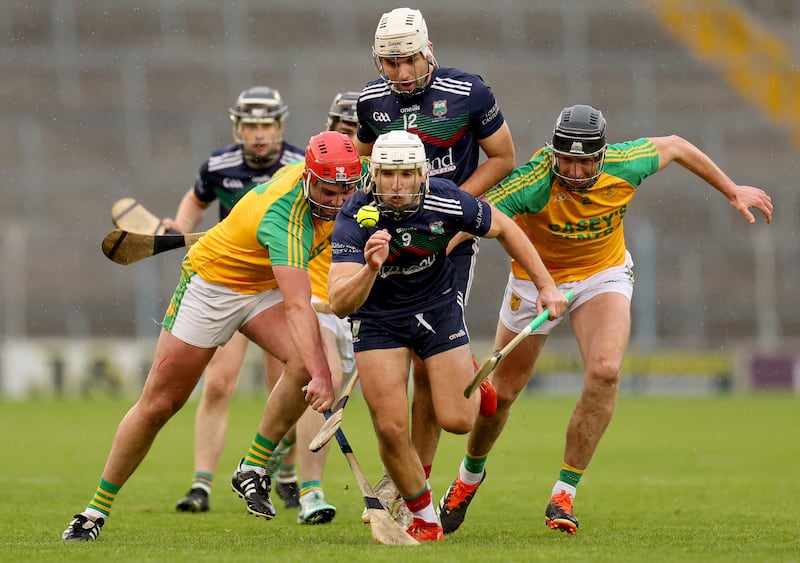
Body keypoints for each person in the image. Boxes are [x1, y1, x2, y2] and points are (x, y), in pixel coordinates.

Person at [437, 104, 774, 536]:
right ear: (553, 152)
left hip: (602, 273)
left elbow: (676, 146)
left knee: (605, 370)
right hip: (533, 279)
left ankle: (564, 493)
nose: (574, 171)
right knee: (500, 395)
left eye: (584, 161)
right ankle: (468, 479)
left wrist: (731, 190)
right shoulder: (532, 182)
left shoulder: (625, 163)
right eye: (566, 160)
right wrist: (429, 261)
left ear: (601, 155)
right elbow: (469, 221)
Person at [61, 131, 365, 542]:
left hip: (262, 286)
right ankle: (93, 512)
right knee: (160, 403)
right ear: (309, 178)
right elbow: (297, 306)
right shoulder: (284, 217)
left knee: (311, 363)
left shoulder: (357, 185)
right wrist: (324, 379)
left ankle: (253, 466)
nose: (338, 202)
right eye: (328, 192)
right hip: (213, 286)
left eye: (345, 191)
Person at [327, 130, 568, 542]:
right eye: (387, 175)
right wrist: (369, 268)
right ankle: (424, 518)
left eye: (405, 175)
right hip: (378, 317)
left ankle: (469, 372)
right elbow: (338, 302)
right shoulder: (356, 215)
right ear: (375, 175)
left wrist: (546, 284)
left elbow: (505, 228)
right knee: (389, 428)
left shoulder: (447, 199)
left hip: (436, 309)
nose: (397, 186)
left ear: (421, 175)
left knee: (458, 420)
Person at [354, 6, 516, 512]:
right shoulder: (371, 102)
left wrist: (450, 215)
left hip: (450, 246)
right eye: (388, 63)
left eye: (407, 61)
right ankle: (407, 483)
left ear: (428, 52)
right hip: (392, 242)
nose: (399, 73)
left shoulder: (469, 92)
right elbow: (361, 166)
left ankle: (411, 486)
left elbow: (503, 158)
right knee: (391, 362)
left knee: (427, 368)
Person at [164, 86, 305, 514]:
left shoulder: (300, 165)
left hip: (278, 285)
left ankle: (283, 472)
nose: (258, 134)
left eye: (266, 125)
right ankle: (201, 485)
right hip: (230, 282)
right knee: (219, 383)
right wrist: (181, 225)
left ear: (280, 125)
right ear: (237, 128)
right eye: (250, 126)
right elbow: (196, 200)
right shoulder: (219, 165)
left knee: (284, 384)